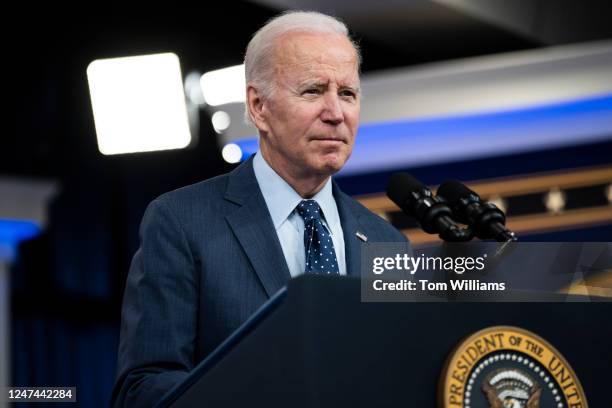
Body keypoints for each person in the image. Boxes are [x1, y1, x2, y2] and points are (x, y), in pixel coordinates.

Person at [111, 10, 409, 407]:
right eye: (312, 91)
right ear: (258, 107)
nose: (336, 113)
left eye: (348, 94)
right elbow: (143, 389)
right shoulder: (182, 222)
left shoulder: (386, 242)